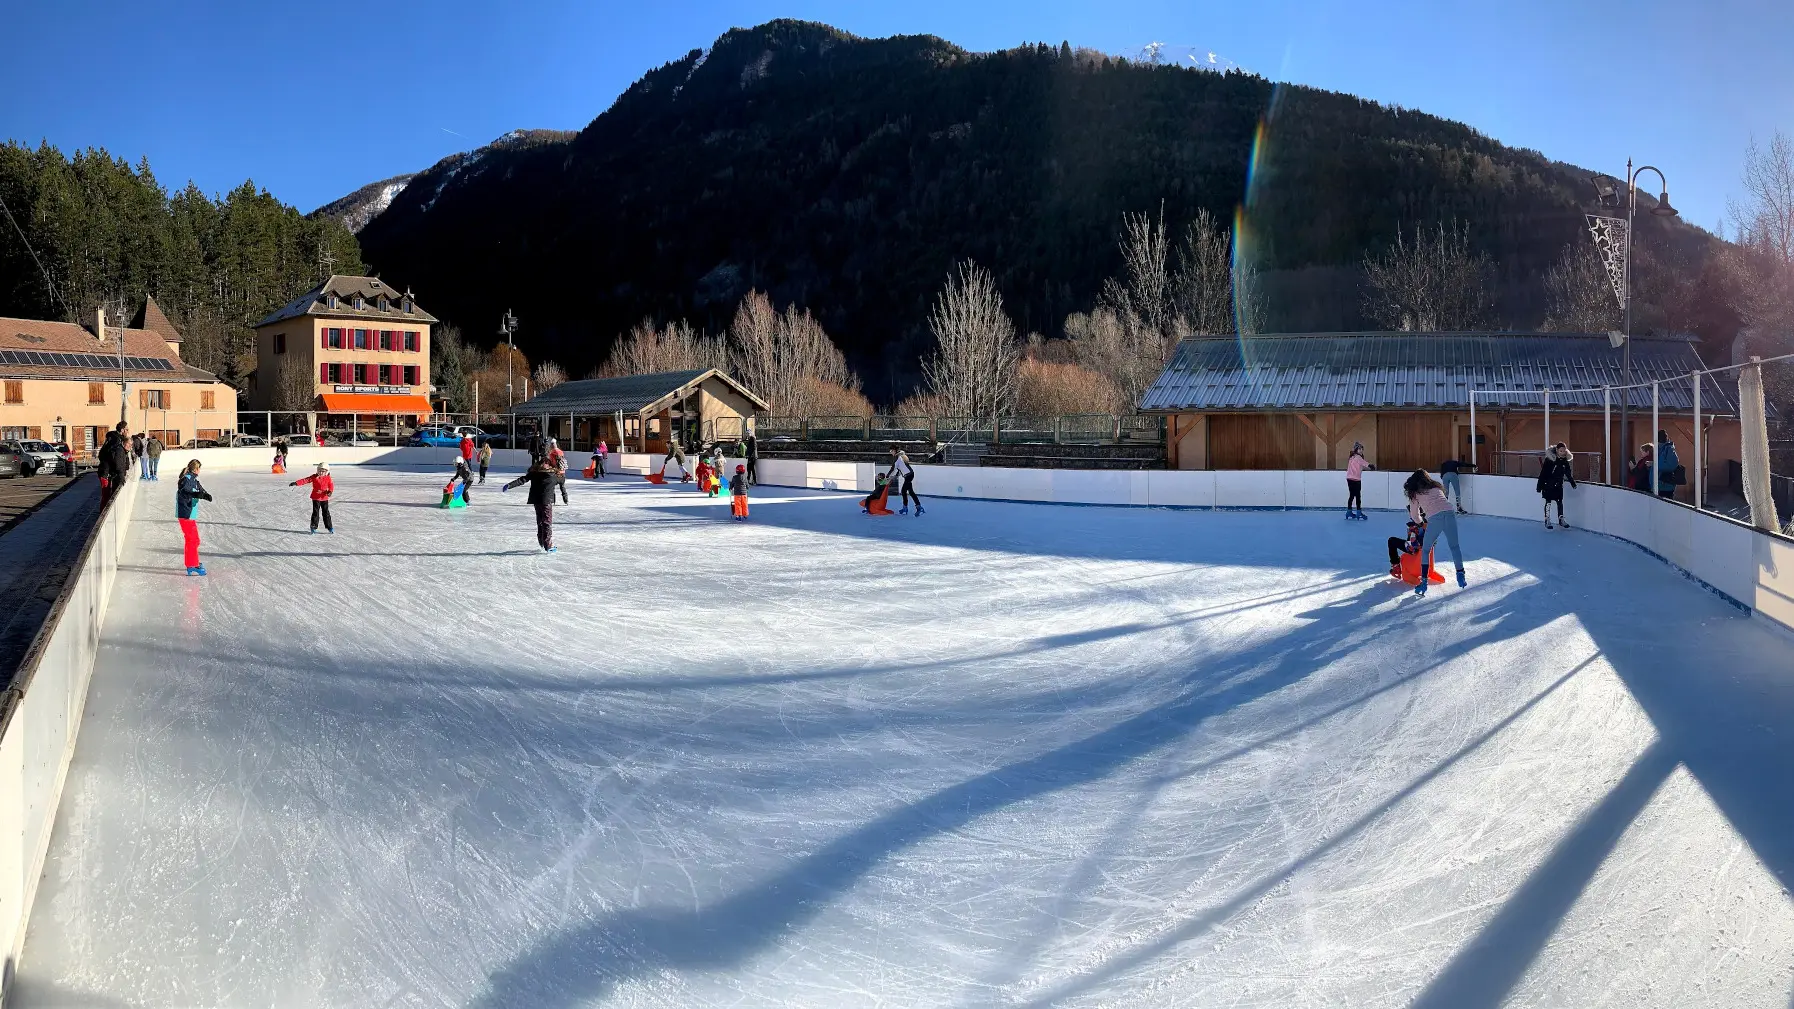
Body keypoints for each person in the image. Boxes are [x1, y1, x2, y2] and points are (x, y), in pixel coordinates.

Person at [1404, 469, 1466, 595]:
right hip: (1450, 514)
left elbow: (1414, 515)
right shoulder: (1436, 487)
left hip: (1435, 519)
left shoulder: (1415, 493)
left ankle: (1424, 582)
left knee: (1426, 550)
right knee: (1455, 546)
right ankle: (1460, 574)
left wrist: (1421, 523)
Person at [503, 457, 560, 552]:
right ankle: (547, 545)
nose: (544, 465)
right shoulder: (552, 474)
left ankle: (543, 542)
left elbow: (523, 479)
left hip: (539, 500)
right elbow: (522, 480)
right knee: (545, 522)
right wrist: (510, 485)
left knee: (542, 522)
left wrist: (509, 485)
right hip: (544, 501)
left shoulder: (536, 473)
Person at [175, 459, 213, 576]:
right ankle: (193, 565)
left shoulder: (194, 480)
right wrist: (196, 494)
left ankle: (191, 563)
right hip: (185, 514)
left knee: (193, 540)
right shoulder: (185, 480)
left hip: (190, 514)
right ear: (196, 469)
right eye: (199, 468)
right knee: (193, 540)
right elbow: (184, 492)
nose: (200, 470)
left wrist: (205, 494)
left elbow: (200, 489)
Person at [1537, 442, 1577, 529]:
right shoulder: (1550, 460)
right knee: (1548, 502)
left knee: (1559, 502)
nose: (1562, 452)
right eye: (1561, 451)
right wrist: (1539, 486)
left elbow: (1568, 473)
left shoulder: (1564, 461)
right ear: (1557, 451)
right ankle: (1547, 519)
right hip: (1548, 484)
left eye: (1564, 451)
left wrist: (1572, 483)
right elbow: (1543, 473)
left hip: (1559, 485)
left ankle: (1561, 519)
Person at [290, 462, 336, 533]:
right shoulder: (314, 477)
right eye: (319, 470)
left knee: (326, 512)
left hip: (324, 497)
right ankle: (313, 527)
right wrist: (296, 483)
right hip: (316, 498)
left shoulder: (328, 478)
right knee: (315, 512)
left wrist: (330, 491)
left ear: (327, 472)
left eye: (323, 471)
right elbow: (306, 480)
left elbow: (331, 486)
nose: (321, 472)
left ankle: (329, 527)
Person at [97, 422, 131, 508]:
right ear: (122, 430)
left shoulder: (114, 438)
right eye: (127, 430)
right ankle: (103, 518)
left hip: (107, 472)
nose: (128, 431)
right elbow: (116, 460)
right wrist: (117, 472)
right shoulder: (116, 441)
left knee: (107, 495)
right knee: (106, 496)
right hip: (105, 472)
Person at [885, 443, 924, 515]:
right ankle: (912, 507)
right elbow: (902, 467)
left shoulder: (897, 457)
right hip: (910, 475)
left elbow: (893, 468)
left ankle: (915, 508)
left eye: (891, 451)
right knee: (910, 492)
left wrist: (887, 476)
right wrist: (897, 474)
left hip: (908, 476)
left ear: (894, 450)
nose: (890, 453)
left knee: (904, 491)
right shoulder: (902, 455)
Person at [1344, 442, 1373, 520]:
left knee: (1351, 495)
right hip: (1356, 479)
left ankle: (1349, 511)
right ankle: (1359, 512)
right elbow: (1364, 463)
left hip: (1349, 478)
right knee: (1357, 496)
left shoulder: (1351, 457)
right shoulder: (1358, 457)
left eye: (1362, 449)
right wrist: (1370, 466)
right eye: (1359, 449)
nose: (1361, 450)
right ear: (1356, 449)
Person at [1656, 430, 1681, 499]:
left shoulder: (1669, 449)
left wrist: (1654, 465)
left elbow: (1671, 466)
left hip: (1666, 485)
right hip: (1659, 484)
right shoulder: (1660, 449)